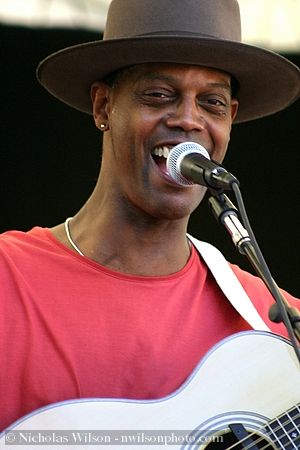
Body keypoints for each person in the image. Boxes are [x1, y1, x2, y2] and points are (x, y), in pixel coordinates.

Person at [1, 0, 299, 435]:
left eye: (211, 102)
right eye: (160, 95)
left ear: (229, 120)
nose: (187, 120)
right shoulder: (8, 279)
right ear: (103, 106)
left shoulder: (277, 325)